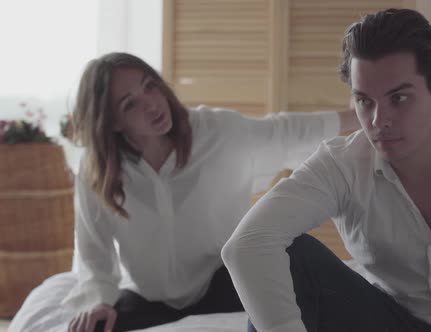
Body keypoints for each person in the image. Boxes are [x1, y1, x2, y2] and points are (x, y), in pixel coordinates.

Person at [222, 8, 431, 332]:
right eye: (364, 101)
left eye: (398, 99)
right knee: (292, 255)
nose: (377, 121)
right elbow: (247, 245)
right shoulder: (341, 163)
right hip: (388, 321)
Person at [62, 52, 358, 332]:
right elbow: (94, 251)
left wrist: (358, 114)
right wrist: (98, 300)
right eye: (130, 104)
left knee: (285, 276)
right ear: (112, 122)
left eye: (150, 86)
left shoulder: (216, 130)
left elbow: (284, 131)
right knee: (94, 327)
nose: (152, 104)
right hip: (152, 299)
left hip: (224, 283)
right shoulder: (97, 170)